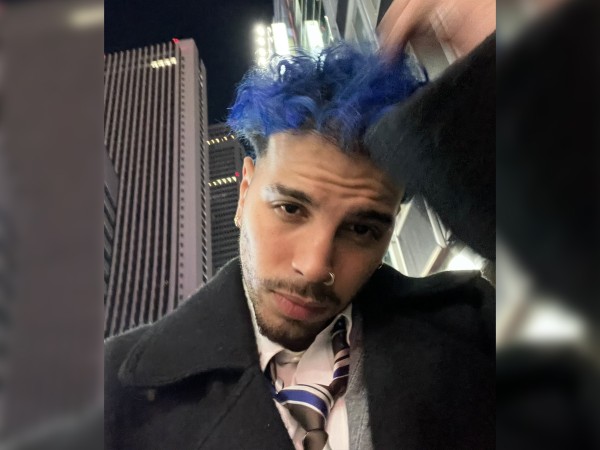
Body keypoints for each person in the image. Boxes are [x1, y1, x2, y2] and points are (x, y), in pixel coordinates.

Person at [105, 41, 494, 450]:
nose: (314, 266)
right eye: (290, 209)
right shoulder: (110, 393)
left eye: (362, 230)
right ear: (244, 193)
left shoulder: (471, 326)